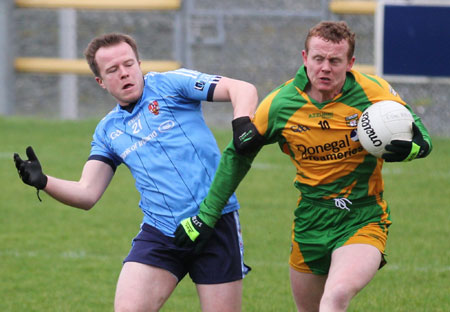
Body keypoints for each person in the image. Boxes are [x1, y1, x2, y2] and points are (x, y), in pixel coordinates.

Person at [174, 21, 433, 311]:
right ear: (304, 58)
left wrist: (413, 148)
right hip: (310, 222)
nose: (325, 68)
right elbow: (238, 156)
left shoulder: (373, 91)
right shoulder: (281, 104)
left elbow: (419, 132)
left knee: (335, 298)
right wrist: (206, 216)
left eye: (335, 61)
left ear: (350, 63)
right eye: (318, 59)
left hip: (362, 218)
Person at [13, 33, 261, 312]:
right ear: (101, 83)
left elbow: (242, 89)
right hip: (161, 232)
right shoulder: (108, 131)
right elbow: (87, 193)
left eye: (128, 64)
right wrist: (44, 182)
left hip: (216, 221)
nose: (124, 73)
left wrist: (241, 123)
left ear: (139, 63)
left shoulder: (171, 84)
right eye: (112, 70)